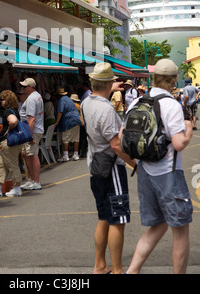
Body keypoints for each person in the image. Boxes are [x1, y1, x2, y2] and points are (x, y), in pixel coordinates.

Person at [126, 59, 193, 275]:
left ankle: (132, 271)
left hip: (145, 170)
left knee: (159, 224)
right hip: (168, 173)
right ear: (174, 79)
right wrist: (189, 130)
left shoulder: (136, 102)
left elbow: (122, 137)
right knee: (180, 229)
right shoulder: (171, 104)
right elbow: (178, 143)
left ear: (154, 78)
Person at [81, 62, 136, 274]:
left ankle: (100, 265)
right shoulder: (106, 108)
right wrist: (135, 165)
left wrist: (108, 87)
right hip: (111, 166)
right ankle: (118, 269)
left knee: (103, 216)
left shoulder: (87, 102)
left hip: (95, 165)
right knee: (117, 219)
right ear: (109, 83)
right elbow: (115, 144)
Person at [0, 90, 22, 198]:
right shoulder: (15, 110)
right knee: (3, 165)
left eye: (2, 99)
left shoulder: (8, 112)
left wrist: (8, 130)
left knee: (12, 165)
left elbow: (13, 121)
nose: (1, 102)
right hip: (13, 142)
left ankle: (17, 187)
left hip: (7, 141)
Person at [19, 78, 44, 190]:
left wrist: (28, 135)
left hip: (32, 130)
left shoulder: (32, 99)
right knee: (27, 154)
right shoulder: (36, 96)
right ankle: (31, 180)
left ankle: (36, 181)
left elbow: (31, 118)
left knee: (33, 155)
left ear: (30, 87)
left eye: (24, 87)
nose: (22, 89)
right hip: (33, 130)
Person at [55, 89, 81, 162]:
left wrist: (57, 122)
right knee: (76, 138)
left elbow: (60, 111)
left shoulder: (61, 100)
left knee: (65, 139)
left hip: (68, 121)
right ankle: (76, 155)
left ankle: (65, 156)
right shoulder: (69, 99)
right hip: (76, 119)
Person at [71, 93, 87, 158]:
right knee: (83, 138)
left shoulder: (75, 106)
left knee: (81, 138)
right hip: (83, 122)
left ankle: (82, 153)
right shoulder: (79, 105)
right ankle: (83, 152)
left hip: (80, 122)